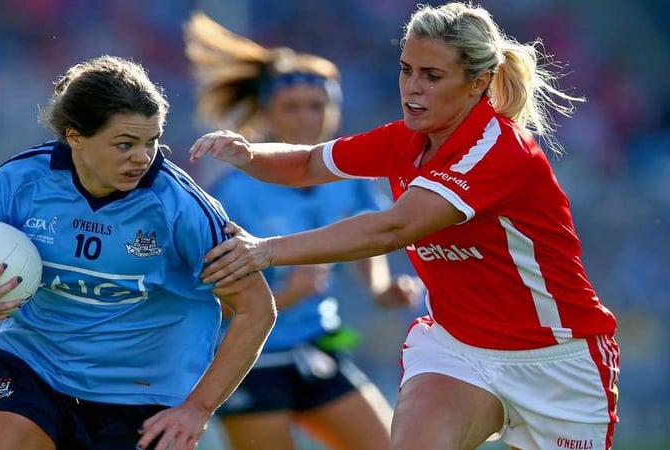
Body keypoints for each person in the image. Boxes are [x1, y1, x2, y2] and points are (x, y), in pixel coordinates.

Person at [189, 3, 620, 450]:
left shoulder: (498, 150)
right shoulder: (405, 139)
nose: (412, 88)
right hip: (459, 351)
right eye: (406, 70)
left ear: (478, 83)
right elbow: (310, 162)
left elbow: (392, 229)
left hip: (556, 359)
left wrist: (267, 249)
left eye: (432, 76)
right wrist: (251, 155)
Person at [0, 54, 276, 450]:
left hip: (145, 391)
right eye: (125, 144)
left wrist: (198, 409)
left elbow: (257, 309)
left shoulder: (181, 208)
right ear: (75, 136)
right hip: (36, 366)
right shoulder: (20, 181)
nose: (142, 157)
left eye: (151, 141)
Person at [184, 12, 422, 450]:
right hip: (251, 360)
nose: (307, 118)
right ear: (267, 115)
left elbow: (367, 236)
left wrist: (380, 289)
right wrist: (282, 298)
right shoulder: (234, 190)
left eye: (317, 106)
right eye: (291, 108)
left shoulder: (351, 176)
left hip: (317, 346)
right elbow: (201, 298)